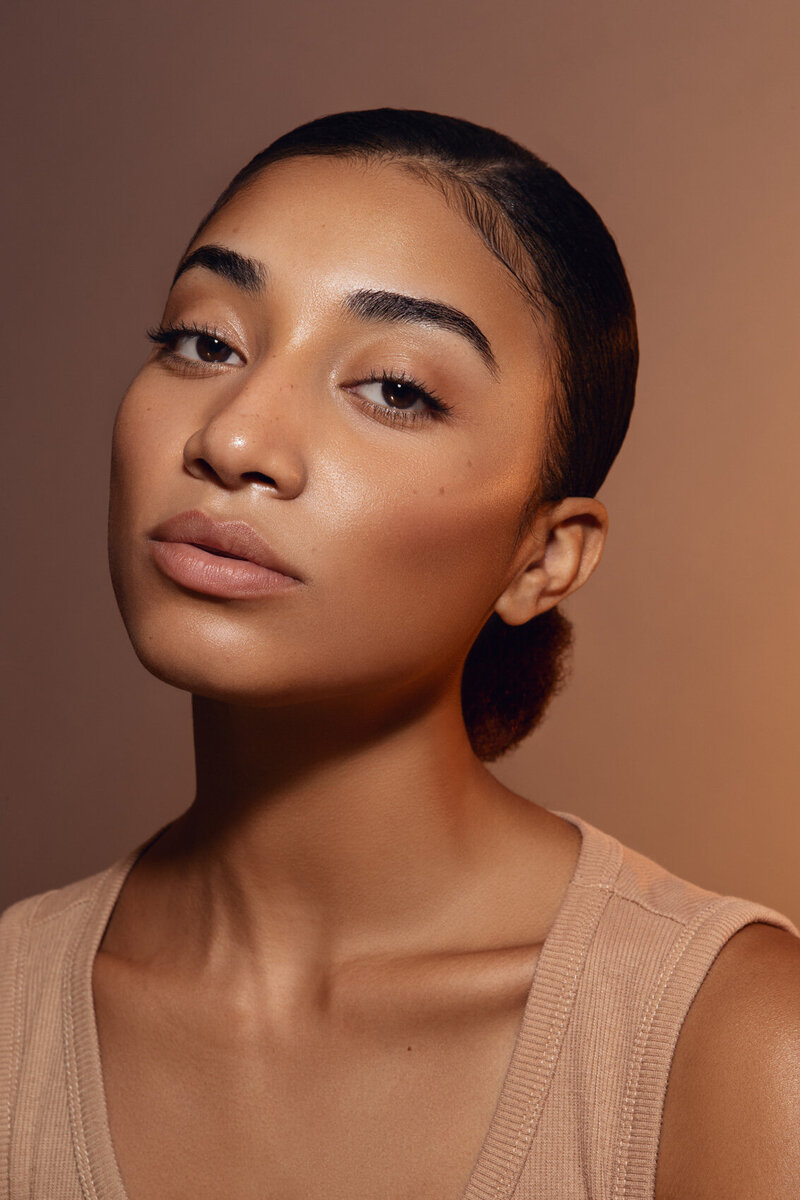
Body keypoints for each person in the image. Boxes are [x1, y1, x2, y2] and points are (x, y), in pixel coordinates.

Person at [1, 108, 797, 1200]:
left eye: (394, 389)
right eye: (205, 340)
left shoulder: (731, 1045)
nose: (231, 440)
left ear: (542, 559)